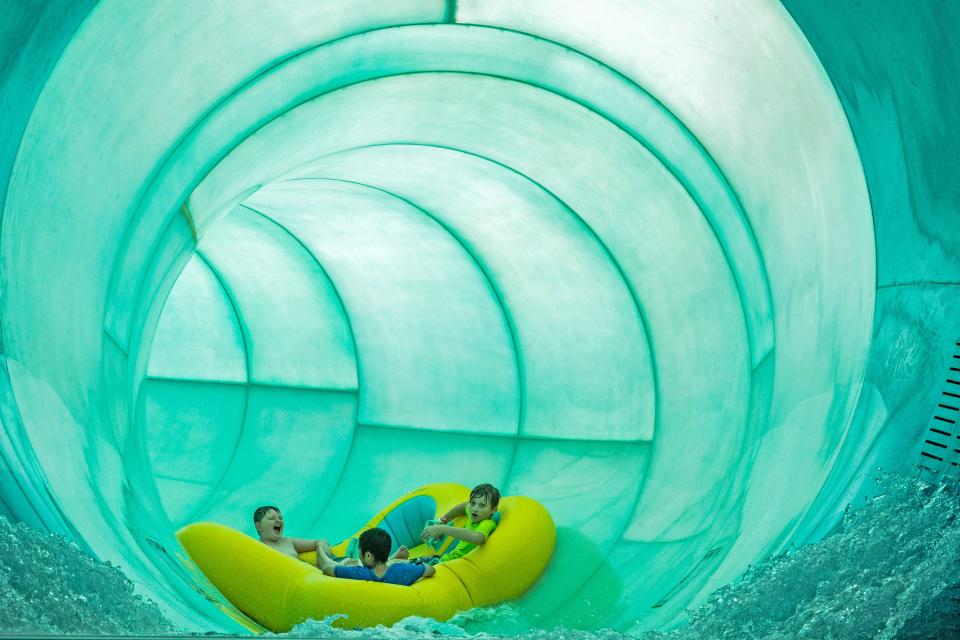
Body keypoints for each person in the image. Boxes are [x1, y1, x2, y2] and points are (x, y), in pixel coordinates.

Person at [317, 527, 435, 585]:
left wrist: (319, 548)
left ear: (368, 555)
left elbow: (327, 569)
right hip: (392, 570)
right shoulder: (402, 570)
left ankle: (392, 560)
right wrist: (407, 564)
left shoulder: (357, 573)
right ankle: (391, 560)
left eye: (360, 551)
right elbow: (431, 570)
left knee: (345, 561)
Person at [416, 483, 500, 564]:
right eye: (473, 503)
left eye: (482, 505)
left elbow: (478, 537)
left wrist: (442, 529)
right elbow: (465, 506)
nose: (475, 509)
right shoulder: (473, 515)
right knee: (407, 564)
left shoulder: (487, 523)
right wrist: (443, 520)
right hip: (445, 559)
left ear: (493, 509)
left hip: (453, 566)